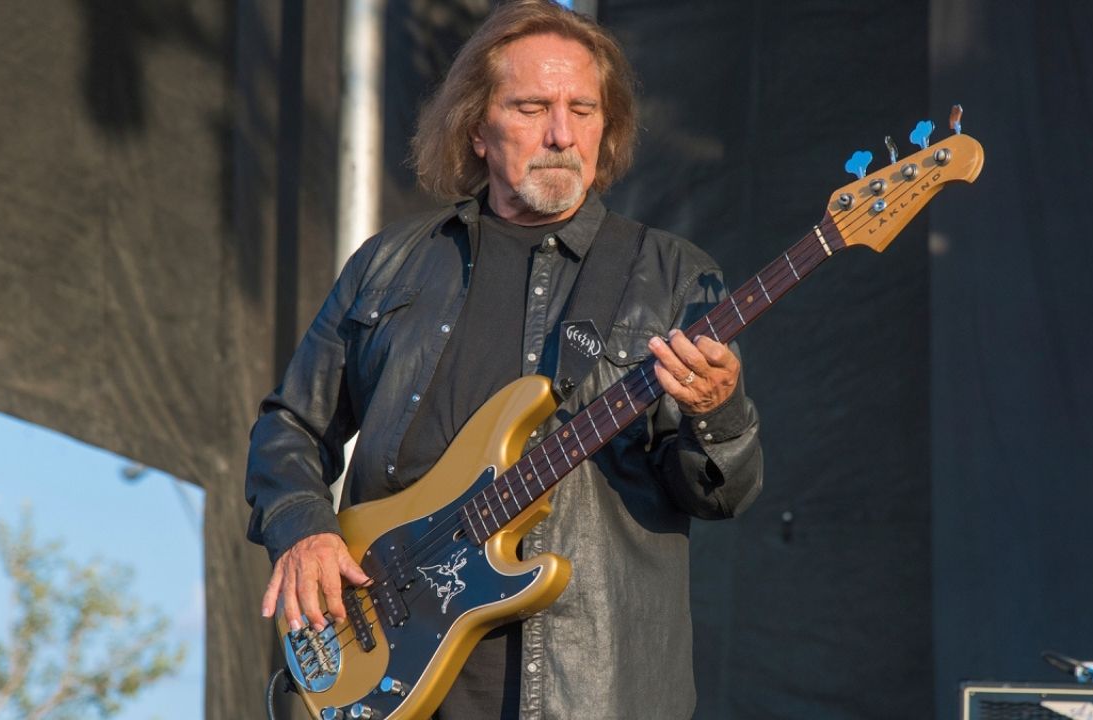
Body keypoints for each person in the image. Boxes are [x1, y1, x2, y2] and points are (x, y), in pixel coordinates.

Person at [245, 1, 763, 717]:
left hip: (591, 694)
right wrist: (303, 528)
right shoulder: (392, 264)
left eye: (583, 109)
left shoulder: (671, 276)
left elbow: (720, 495)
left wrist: (719, 414)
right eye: (531, 106)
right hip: (382, 674)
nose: (560, 133)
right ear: (477, 127)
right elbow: (291, 426)